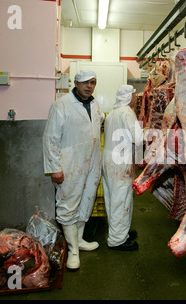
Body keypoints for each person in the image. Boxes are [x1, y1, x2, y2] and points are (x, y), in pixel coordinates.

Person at [43, 70, 103, 270]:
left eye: (93, 82)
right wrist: (54, 168)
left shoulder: (94, 104)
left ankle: (79, 240)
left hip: (92, 161)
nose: (89, 86)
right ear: (76, 83)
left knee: (86, 202)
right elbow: (51, 138)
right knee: (68, 205)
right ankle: (73, 251)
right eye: (85, 82)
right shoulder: (62, 105)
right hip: (70, 164)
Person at [102, 85, 143, 251]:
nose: (136, 98)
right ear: (129, 97)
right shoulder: (126, 113)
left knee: (112, 198)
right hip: (121, 160)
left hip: (110, 158)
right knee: (121, 199)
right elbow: (137, 138)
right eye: (134, 95)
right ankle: (117, 240)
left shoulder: (113, 113)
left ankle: (119, 231)